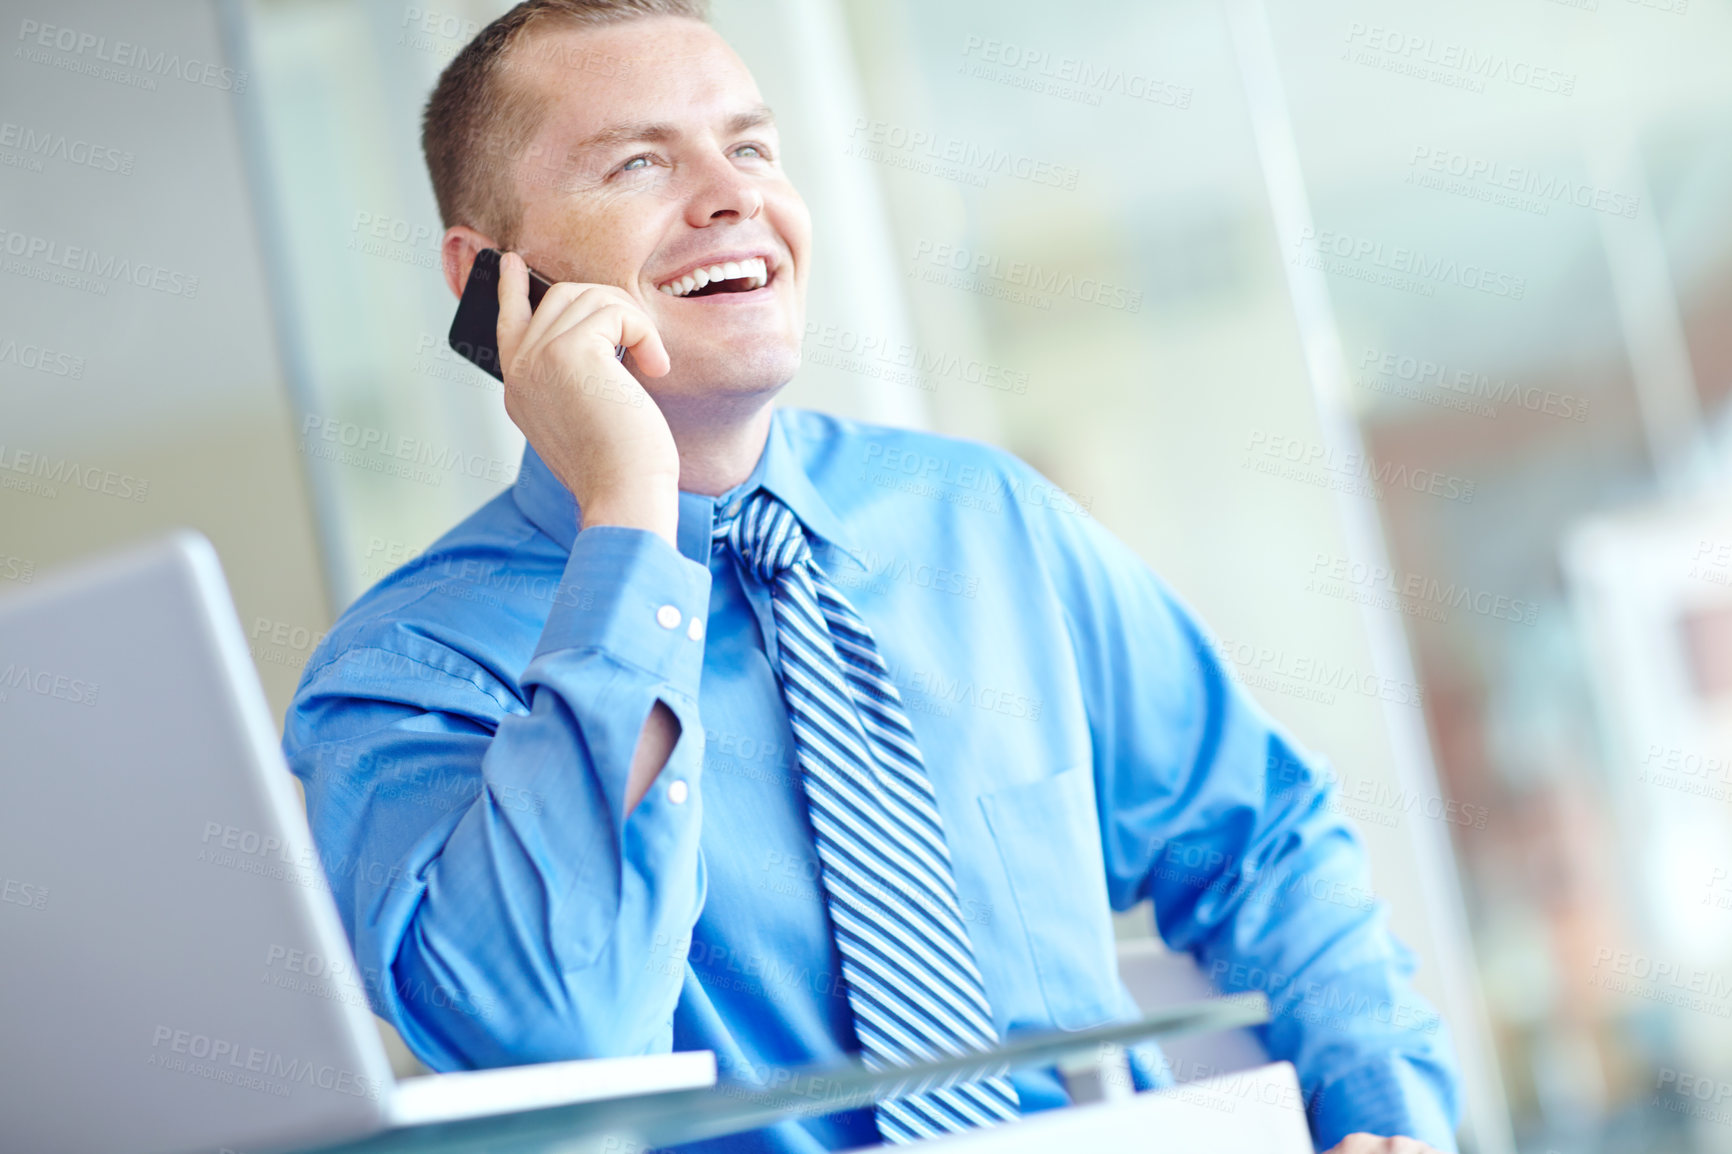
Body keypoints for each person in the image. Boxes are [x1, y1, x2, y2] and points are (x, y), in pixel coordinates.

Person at [283, 2, 1460, 1150]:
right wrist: (630, 517)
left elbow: (1260, 836)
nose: (732, 194)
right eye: (638, 162)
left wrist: (1382, 1105)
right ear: (490, 275)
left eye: (749, 146)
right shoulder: (403, 671)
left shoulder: (982, 524)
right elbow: (557, 1034)